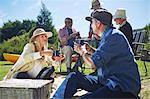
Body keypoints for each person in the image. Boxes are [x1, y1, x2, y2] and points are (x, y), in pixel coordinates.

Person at [52, 11, 141, 98]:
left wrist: (82, 52)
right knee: (73, 77)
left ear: (98, 24)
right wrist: (91, 50)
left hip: (122, 88)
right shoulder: (109, 35)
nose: (91, 25)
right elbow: (104, 56)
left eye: (92, 22)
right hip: (107, 81)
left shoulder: (113, 36)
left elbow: (93, 64)